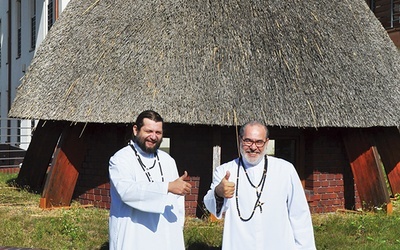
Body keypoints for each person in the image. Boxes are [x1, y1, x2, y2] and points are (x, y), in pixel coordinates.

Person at [203, 121, 316, 250]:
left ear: (267, 142)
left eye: (259, 142)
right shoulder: (225, 171)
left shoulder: (285, 170)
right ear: (240, 140)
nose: (253, 147)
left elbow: (299, 215)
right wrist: (218, 192)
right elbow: (210, 206)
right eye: (248, 141)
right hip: (240, 243)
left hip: (278, 243)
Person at [108, 110, 192, 250]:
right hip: (133, 234)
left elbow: (177, 202)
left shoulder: (168, 161)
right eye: (149, 131)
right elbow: (127, 192)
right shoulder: (120, 159)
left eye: (158, 133)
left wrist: (176, 229)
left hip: (165, 235)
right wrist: (166, 187)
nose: (153, 137)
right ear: (136, 130)